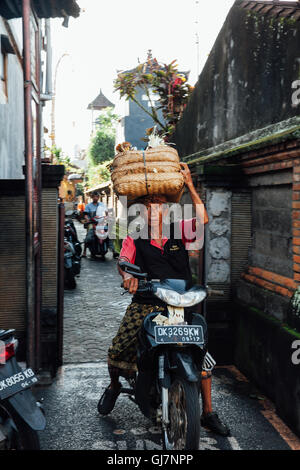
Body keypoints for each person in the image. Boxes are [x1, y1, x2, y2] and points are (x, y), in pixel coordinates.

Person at [98, 163, 230, 437]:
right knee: (117, 351)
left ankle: (207, 412)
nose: (153, 210)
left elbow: (203, 220)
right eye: (148, 206)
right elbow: (124, 261)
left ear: (166, 209)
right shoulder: (135, 236)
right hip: (146, 302)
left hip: (180, 303)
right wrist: (126, 275)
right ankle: (113, 387)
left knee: (202, 360)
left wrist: (190, 186)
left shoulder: (179, 230)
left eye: (158, 205)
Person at [82, 191, 108, 258]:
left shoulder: (102, 205)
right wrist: (88, 220)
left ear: (99, 197)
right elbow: (85, 215)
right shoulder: (88, 206)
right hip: (92, 222)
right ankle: (84, 251)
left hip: (101, 222)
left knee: (109, 235)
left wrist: (107, 217)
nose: (96, 198)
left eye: (97, 196)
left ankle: (113, 251)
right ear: (92, 197)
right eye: (94, 197)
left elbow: (106, 213)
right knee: (89, 236)